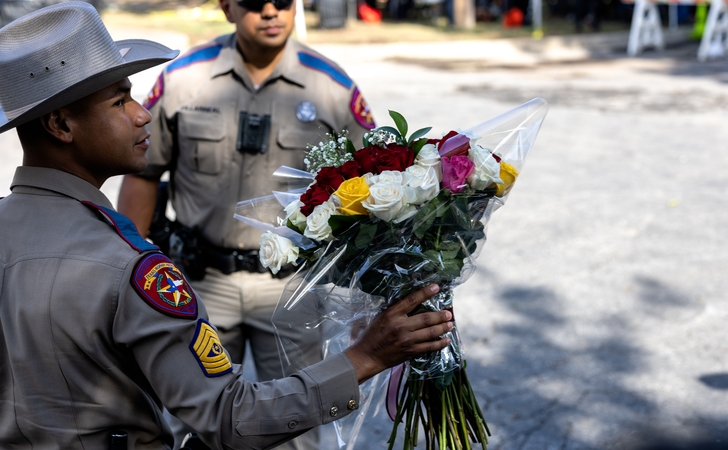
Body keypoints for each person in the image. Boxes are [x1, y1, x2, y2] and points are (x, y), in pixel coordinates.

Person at [0, 3, 454, 449]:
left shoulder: (330, 84)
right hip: (205, 273)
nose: (141, 115)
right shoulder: (127, 269)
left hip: (288, 288)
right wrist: (369, 355)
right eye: (120, 101)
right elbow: (228, 418)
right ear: (59, 123)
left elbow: (370, 180)